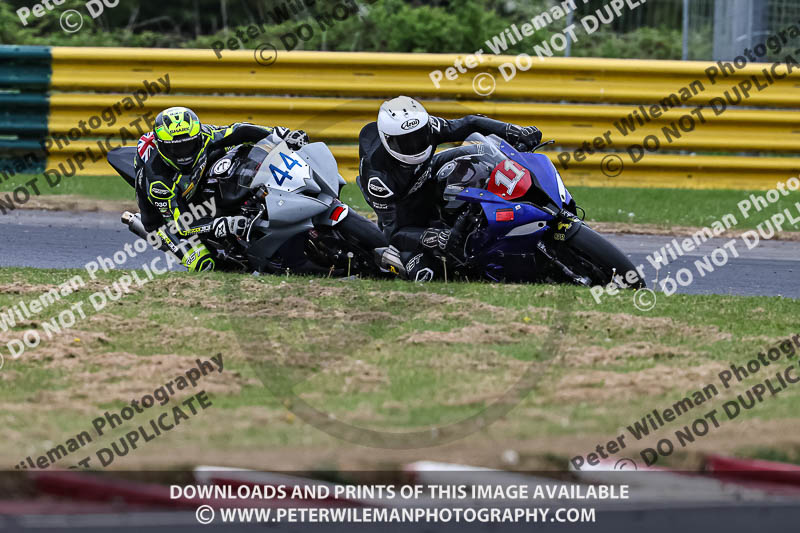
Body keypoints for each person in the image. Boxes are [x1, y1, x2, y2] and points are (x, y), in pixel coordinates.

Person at [357, 96, 542, 281]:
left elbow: (471, 123)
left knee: (480, 153)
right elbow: (393, 232)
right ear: (388, 141)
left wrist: (514, 130)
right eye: (405, 142)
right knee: (428, 273)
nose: (415, 145)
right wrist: (430, 236)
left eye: (419, 136)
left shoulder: (429, 127)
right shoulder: (378, 179)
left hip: (428, 172)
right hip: (406, 212)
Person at [134, 106, 308, 271]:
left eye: (188, 145)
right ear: (161, 146)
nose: (183, 153)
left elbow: (240, 130)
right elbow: (181, 224)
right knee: (204, 263)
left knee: (231, 156)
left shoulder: (206, 135)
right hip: (166, 221)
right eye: (175, 148)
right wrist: (221, 223)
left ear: (198, 137)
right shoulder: (158, 181)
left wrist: (278, 134)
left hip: (196, 179)